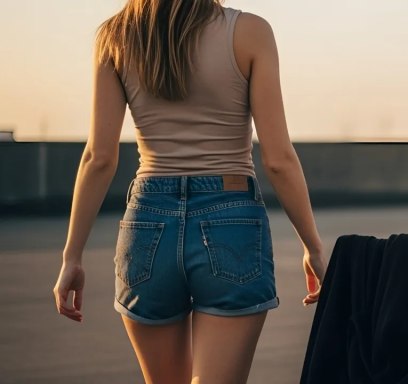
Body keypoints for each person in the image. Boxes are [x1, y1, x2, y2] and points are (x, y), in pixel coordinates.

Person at [52, 1, 327, 383]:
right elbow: (278, 159)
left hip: (148, 224)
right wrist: (312, 247)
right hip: (231, 218)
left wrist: (72, 257)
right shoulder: (249, 32)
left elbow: (98, 158)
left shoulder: (115, 36)